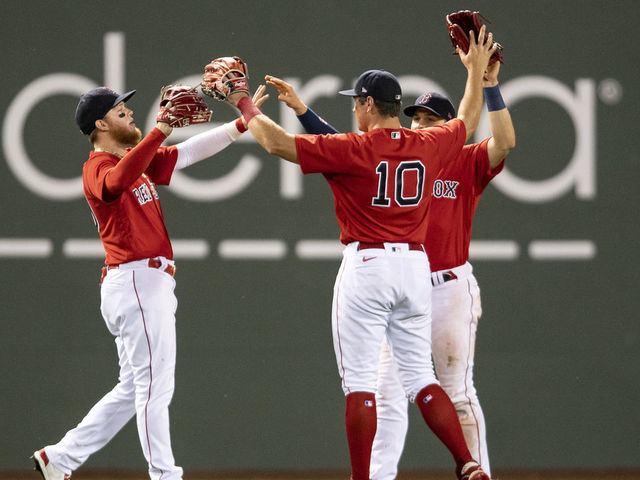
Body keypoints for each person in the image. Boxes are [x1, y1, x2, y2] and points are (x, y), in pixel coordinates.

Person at [214, 25, 497, 480]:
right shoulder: (428, 144)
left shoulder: (354, 148)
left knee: (361, 385)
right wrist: (477, 71)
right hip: (413, 268)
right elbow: (466, 115)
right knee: (422, 380)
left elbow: (274, 142)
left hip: (367, 267)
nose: (353, 110)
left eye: (355, 102)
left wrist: (241, 102)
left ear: (367, 104)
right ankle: (467, 461)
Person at [32, 85, 256, 480]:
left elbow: (184, 154)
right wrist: (161, 130)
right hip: (135, 280)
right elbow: (115, 182)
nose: (131, 115)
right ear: (100, 124)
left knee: (133, 387)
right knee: (155, 387)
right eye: (121, 112)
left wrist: (240, 125)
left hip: (143, 283)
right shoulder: (98, 166)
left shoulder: (130, 160)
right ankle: (164, 475)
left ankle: (60, 458)